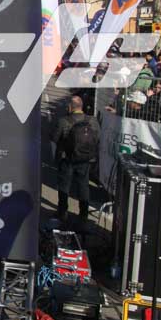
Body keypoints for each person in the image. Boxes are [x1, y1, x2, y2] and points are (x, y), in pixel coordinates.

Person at [52, 95, 100, 228]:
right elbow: (97, 138)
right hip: (85, 159)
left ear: (70, 107)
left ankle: (62, 213)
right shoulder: (92, 121)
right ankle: (83, 215)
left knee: (64, 186)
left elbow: (54, 138)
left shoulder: (64, 121)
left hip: (67, 159)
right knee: (83, 186)